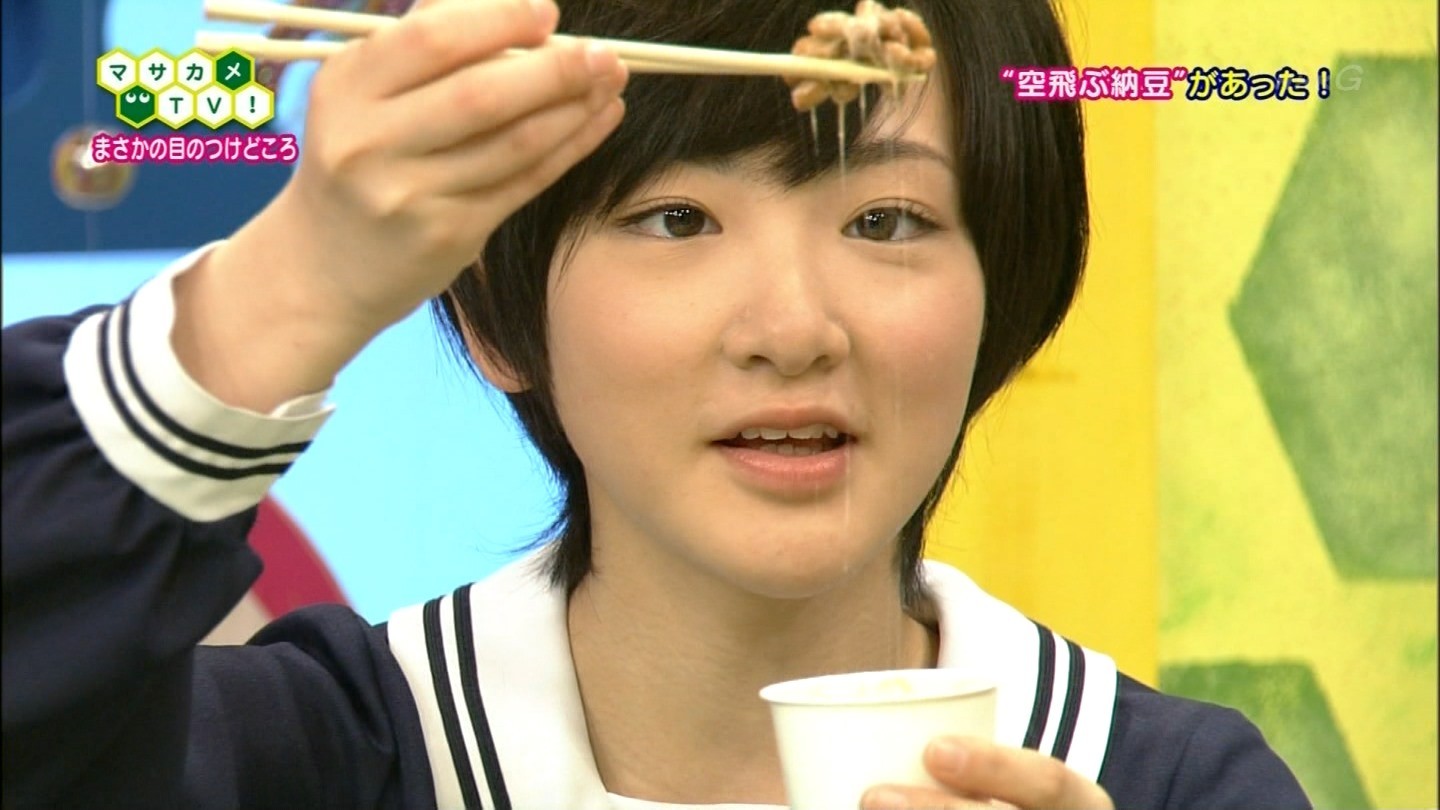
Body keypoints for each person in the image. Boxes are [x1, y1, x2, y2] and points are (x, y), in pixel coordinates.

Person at [1, 0, 1311, 807]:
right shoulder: (317, 757)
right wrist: (290, 284)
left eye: (888, 219)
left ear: (997, 300)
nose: (793, 329)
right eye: (676, 217)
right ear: (498, 321)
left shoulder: (1169, 786)